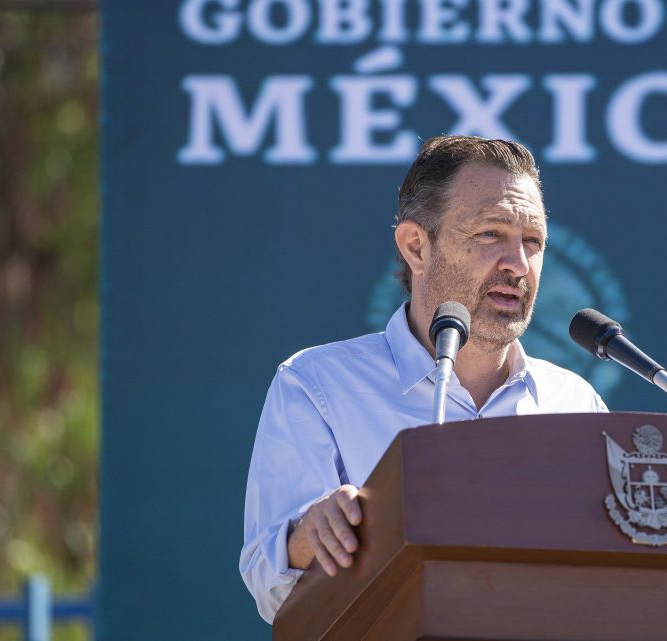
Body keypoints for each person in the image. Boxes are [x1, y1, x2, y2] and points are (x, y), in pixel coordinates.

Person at [239, 136, 608, 623]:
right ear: (417, 245)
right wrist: (310, 536)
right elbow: (270, 593)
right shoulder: (318, 385)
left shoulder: (574, 401)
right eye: (490, 234)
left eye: (533, 242)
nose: (518, 265)